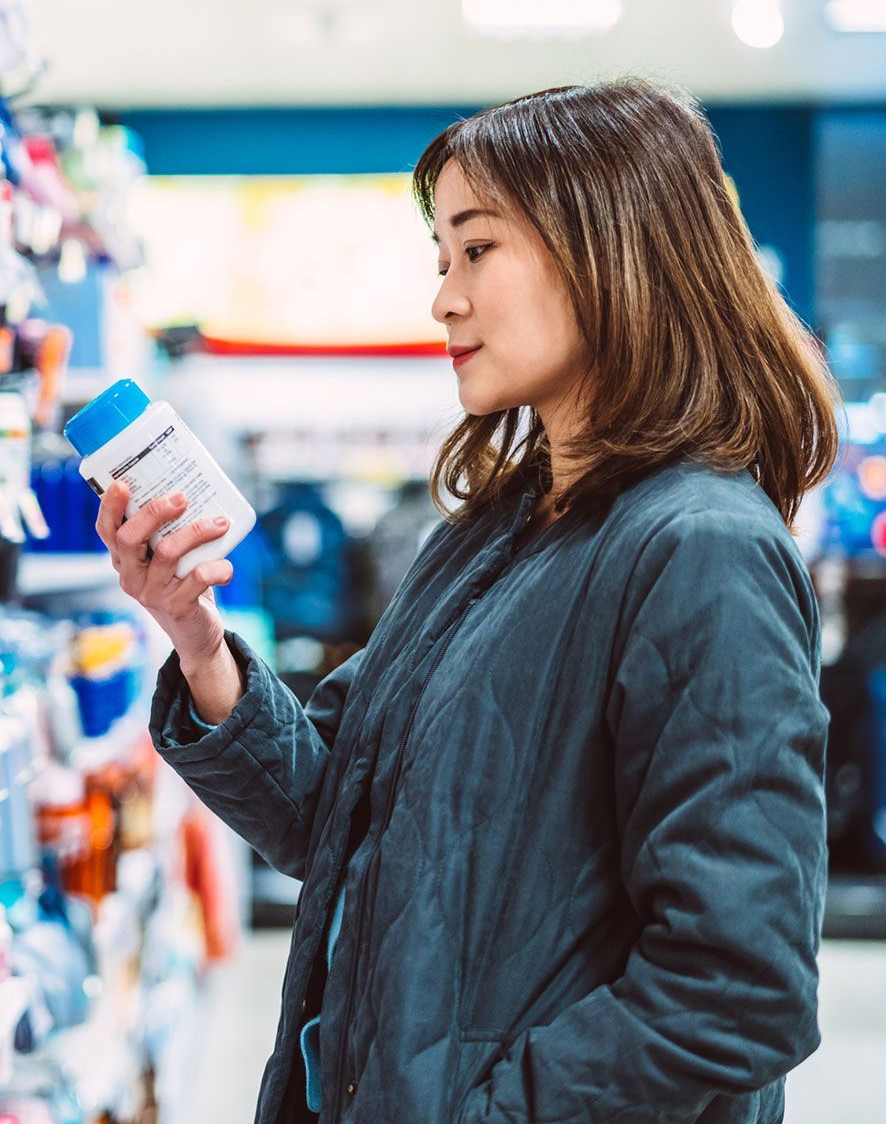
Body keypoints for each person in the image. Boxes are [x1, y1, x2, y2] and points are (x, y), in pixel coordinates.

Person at [95, 78, 839, 1123]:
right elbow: (331, 818)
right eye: (441, 258)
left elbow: (737, 991)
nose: (444, 296)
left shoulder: (701, 552)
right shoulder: (495, 532)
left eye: (478, 248)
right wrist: (197, 637)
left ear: (610, 246)